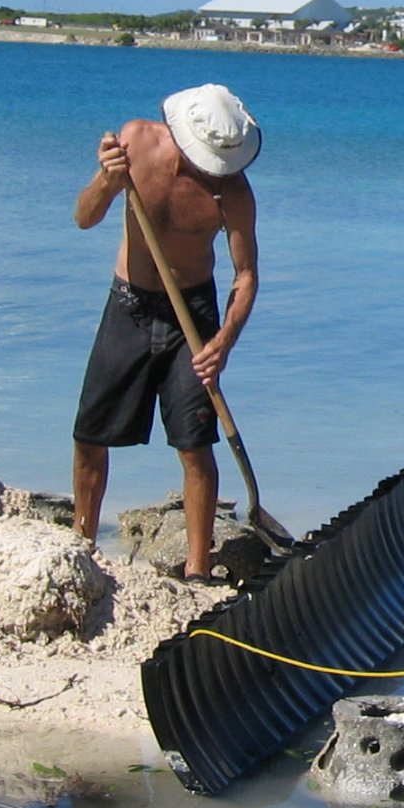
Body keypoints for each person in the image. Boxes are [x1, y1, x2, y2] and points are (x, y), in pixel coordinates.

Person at [72, 83, 261, 580]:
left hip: (193, 318)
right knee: (90, 435)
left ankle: (197, 569)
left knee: (195, 444)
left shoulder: (233, 191)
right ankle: (82, 545)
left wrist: (223, 343)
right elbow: (84, 218)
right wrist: (108, 181)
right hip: (129, 305)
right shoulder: (134, 143)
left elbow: (246, 276)